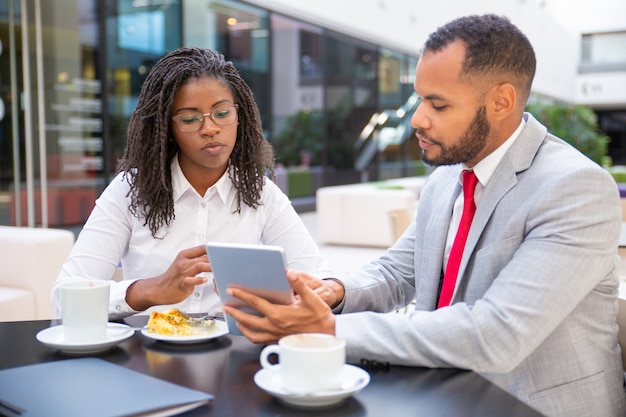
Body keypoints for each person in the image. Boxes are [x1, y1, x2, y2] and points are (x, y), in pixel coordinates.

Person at [222, 14, 626, 417]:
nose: (417, 118)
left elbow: (496, 334)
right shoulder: (448, 177)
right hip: (442, 394)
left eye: (438, 103)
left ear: (501, 101)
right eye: (419, 98)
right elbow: (398, 273)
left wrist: (328, 328)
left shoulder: (576, 188)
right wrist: (334, 292)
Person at [52, 47, 332, 320]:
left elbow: (318, 285)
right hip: (147, 356)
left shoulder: (261, 194)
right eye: (189, 119)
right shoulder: (129, 191)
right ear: (167, 128)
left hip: (234, 353)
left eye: (222, 114)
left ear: (239, 117)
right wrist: (149, 290)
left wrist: (271, 298)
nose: (209, 129)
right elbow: (64, 299)